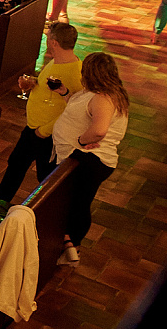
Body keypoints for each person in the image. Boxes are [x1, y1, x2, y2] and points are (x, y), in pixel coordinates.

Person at [49, 52, 130, 265]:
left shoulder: (104, 98)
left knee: (77, 203)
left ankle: (71, 247)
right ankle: (69, 244)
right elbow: (82, 109)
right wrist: (64, 92)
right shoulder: (102, 92)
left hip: (91, 160)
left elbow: (99, 130)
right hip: (86, 158)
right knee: (72, 200)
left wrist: (81, 141)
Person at [0, 21, 81, 202]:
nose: (46, 41)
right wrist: (33, 83)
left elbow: (73, 111)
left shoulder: (75, 74)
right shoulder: (56, 62)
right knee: (16, 163)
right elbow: (49, 89)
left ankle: (50, 209)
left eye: (48, 38)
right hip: (34, 128)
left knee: (46, 176)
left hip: (48, 135)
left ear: (54, 42)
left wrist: (44, 131)